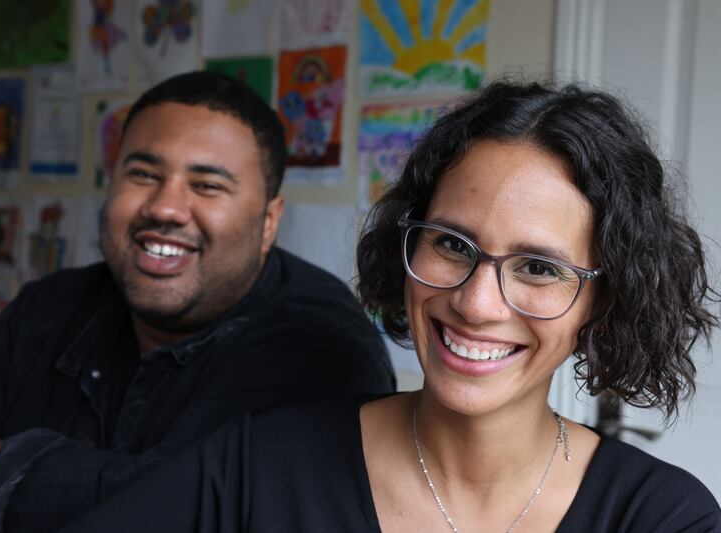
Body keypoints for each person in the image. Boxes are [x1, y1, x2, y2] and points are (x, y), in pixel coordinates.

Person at [64, 80, 720, 533]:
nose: (475, 300)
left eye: (540, 267)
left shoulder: (661, 517)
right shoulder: (261, 464)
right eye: (453, 244)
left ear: (601, 299)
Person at [0, 71, 395, 533]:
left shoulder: (323, 352)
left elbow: (160, 516)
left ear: (269, 221)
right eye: (144, 174)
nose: (165, 208)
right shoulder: (51, 303)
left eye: (207, 185)